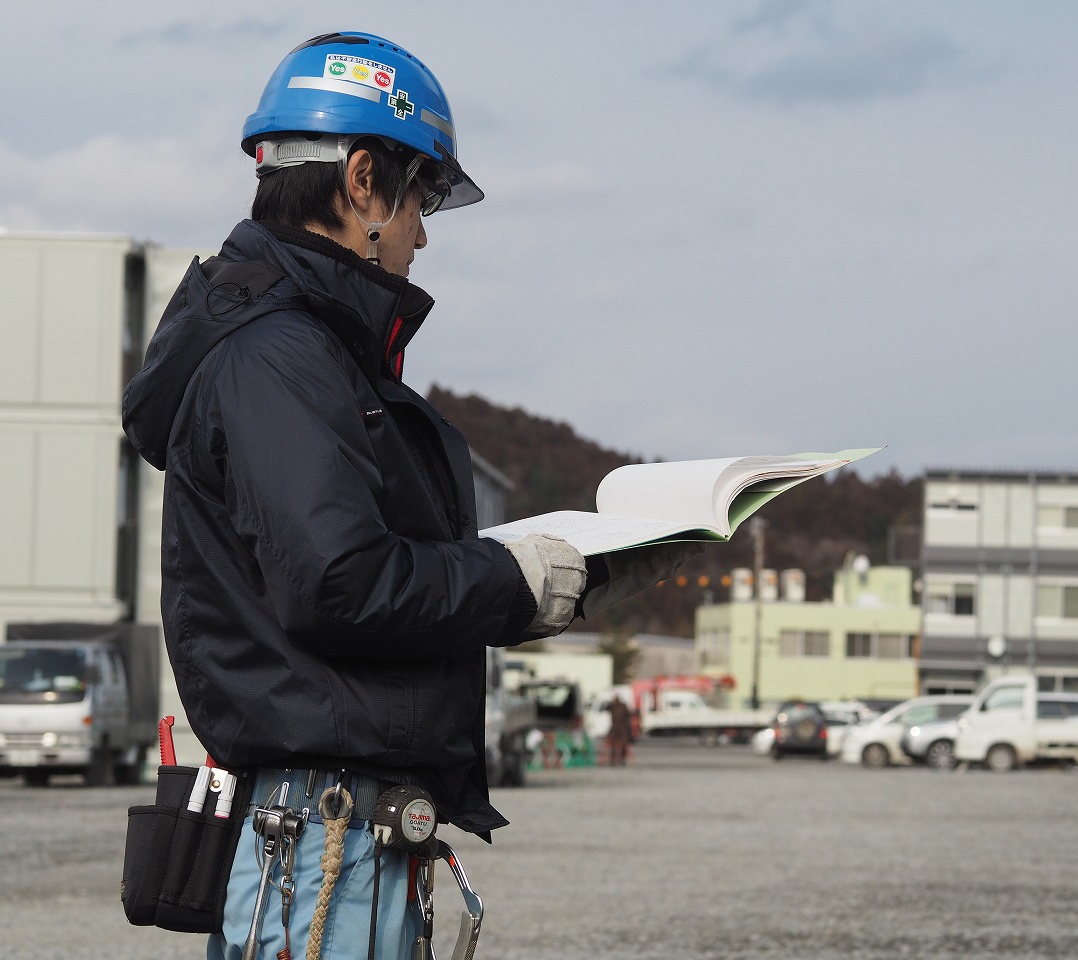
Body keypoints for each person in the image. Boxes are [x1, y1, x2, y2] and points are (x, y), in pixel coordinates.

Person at [122, 30, 698, 960]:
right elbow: (340, 580)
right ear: (361, 183)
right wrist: (514, 581)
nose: (424, 232)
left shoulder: (300, 354)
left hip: (334, 832)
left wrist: (559, 576)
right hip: (322, 839)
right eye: (422, 197)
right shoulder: (281, 357)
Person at [605, 693, 634, 766]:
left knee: (623, 744)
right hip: (615, 727)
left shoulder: (623, 706)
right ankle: (613, 760)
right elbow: (606, 708)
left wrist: (628, 727)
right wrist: (611, 703)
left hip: (622, 727)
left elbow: (628, 715)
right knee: (613, 744)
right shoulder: (612, 706)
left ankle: (622, 759)